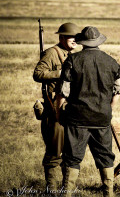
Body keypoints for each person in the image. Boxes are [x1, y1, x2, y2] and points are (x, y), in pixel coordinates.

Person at [55, 26, 120, 197]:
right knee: (106, 158)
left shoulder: (73, 60)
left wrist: (59, 113)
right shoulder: (111, 62)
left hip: (77, 119)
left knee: (72, 159)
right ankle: (109, 193)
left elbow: (63, 93)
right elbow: (119, 91)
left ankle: (67, 194)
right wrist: (107, 110)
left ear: (83, 43)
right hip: (102, 119)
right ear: (98, 41)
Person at [33, 22, 80, 191]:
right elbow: (38, 73)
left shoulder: (71, 54)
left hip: (70, 108)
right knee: (54, 152)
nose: (75, 40)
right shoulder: (52, 53)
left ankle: (66, 190)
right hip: (54, 108)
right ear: (61, 37)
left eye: (76, 37)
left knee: (70, 152)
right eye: (71, 37)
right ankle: (51, 190)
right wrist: (59, 73)